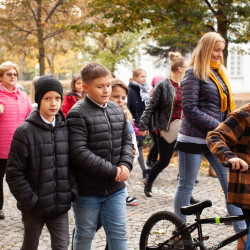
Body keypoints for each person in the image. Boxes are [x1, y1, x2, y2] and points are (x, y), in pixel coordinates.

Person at [173, 32, 246, 247]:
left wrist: (231, 128)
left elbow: (227, 108)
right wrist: (222, 128)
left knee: (230, 185)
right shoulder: (192, 74)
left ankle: (242, 233)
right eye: (215, 50)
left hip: (216, 141)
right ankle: (181, 232)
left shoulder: (220, 74)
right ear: (205, 48)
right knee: (186, 186)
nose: (218, 54)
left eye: (221, 50)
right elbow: (191, 110)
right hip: (192, 139)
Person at [6, 75, 78, 249]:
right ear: (39, 100)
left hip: (60, 206)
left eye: (57, 98)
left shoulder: (66, 128)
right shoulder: (24, 132)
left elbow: (73, 165)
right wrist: (31, 201)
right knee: (30, 245)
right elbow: (14, 173)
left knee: (62, 246)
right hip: (34, 208)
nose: (53, 103)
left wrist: (71, 191)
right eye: (47, 98)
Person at [67, 62, 134, 250]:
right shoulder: (77, 113)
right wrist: (113, 171)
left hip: (116, 189)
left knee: (119, 233)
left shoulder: (116, 110)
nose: (106, 90)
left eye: (108, 85)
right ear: (85, 88)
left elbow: (126, 142)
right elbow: (79, 153)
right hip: (88, 190)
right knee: (85, 233)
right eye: (100, 86)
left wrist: (126, 166)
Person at [139, 52, 187, 197]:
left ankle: (187, 193)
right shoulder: (163, 85)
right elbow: (150, 106)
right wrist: (143, 125)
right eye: (186, 67)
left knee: (186, 161)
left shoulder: (186, 85)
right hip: (166, 130)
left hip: (184, 130)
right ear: (179, 68)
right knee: (164, 161)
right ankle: (149, 182)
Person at [0, 61, 32, 220]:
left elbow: (30, 117)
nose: (13, 77)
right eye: (9, 74)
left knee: (22, 180)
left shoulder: (23, 96)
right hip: (0, 147)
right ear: (1, 77)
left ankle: (26, 209)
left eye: (14, 74)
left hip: (19, 147)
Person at [109, 78, 139, 206]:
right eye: (116, 97)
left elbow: (133, 149)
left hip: (121, 171)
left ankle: (124, 194)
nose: (120, 101)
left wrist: (128, 159)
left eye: (123, 98)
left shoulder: (126, 122)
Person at [127, 68, 150, 179]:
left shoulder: (145, 90)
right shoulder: (130, 90)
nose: (144, 79)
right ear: (135, 77)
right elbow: (127, 108)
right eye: (142, 76)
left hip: (141, 123)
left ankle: (144, 171)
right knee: (136, 149)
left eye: (145, 76)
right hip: (134, 124)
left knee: (139, 148)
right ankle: (143, 172)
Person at [146, 75, 165, 169]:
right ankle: (150, 160)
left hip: (156, 122)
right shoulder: (154, 93)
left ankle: (151, 160)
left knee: (157, 143)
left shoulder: (156, 92)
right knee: (157, 142)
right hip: (154, 122)